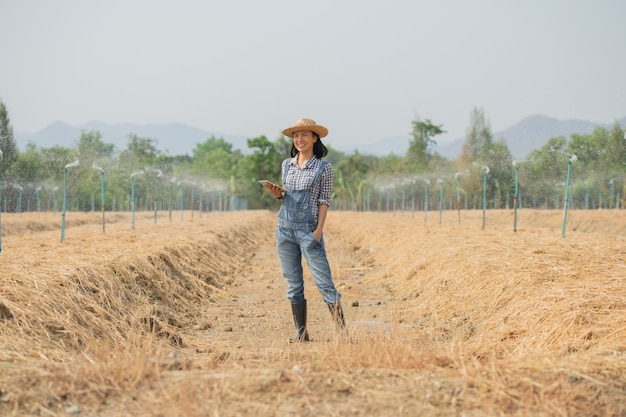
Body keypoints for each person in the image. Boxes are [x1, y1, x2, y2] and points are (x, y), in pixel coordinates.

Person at [261, 118, 346, 342]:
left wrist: (318, 231)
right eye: (296, 136)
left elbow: (324, 201)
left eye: (304, 135)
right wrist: (276, 192)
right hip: (285, 229)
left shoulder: (324, 168)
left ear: (315, 138)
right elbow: (284, 196)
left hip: (309, 230)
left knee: (323, 280)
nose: (299, 139)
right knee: (293, 282)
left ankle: (342, 332)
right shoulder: (286, 164)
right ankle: (301, 332)